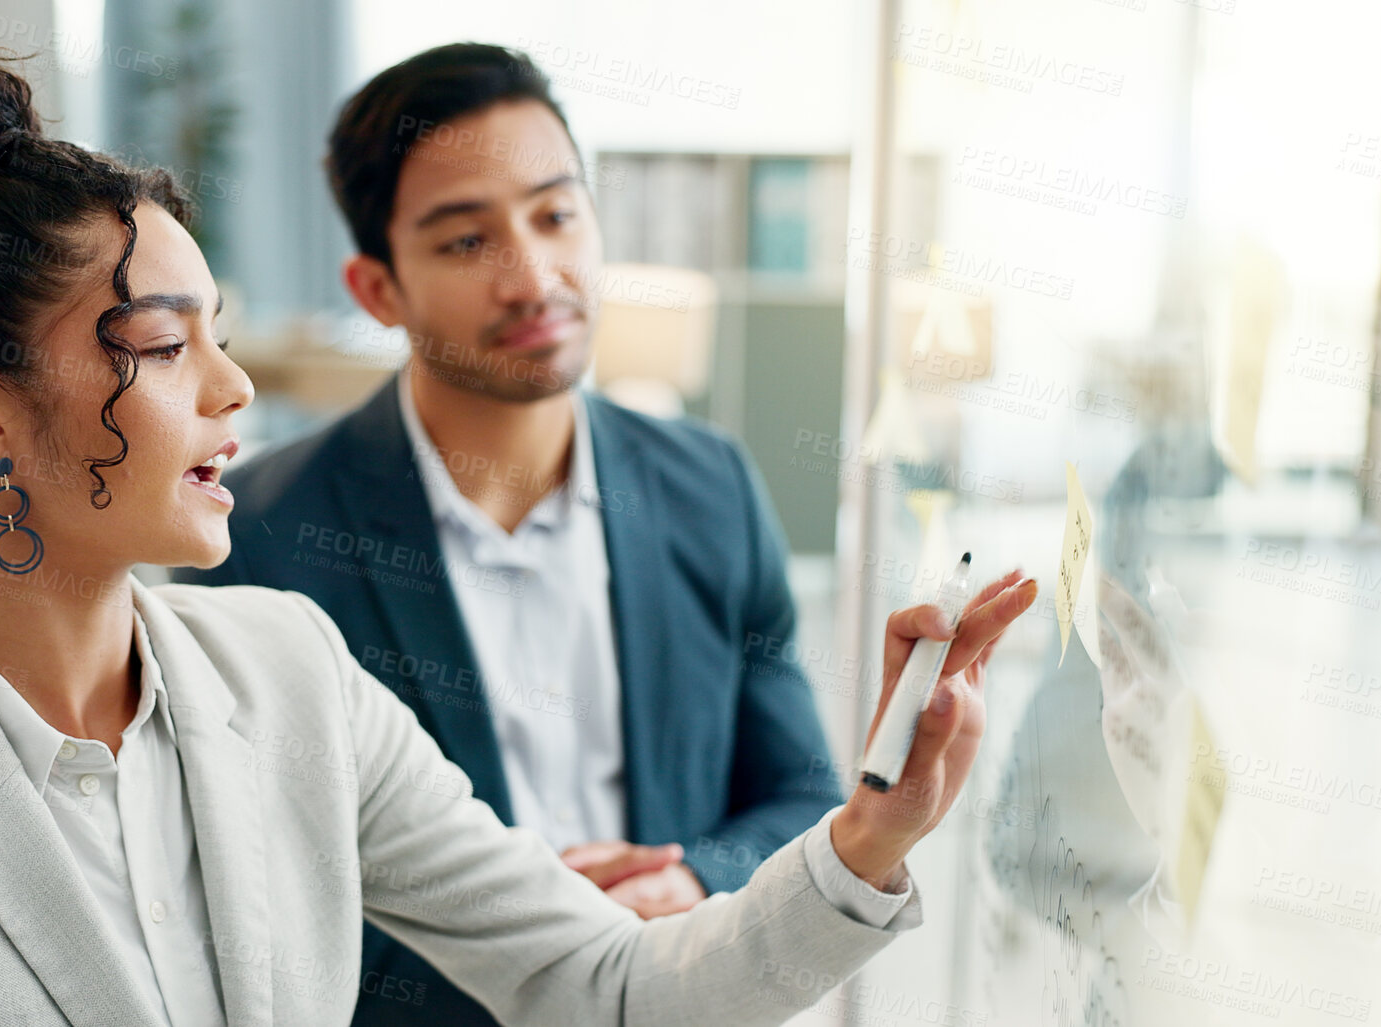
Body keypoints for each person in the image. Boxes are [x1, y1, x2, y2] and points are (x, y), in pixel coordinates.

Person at [0, 28, 1039, 1027]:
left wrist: (873, 829)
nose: (231, 385)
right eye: (159, 342)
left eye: (223, 332)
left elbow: (608, 983)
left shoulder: (292, 674)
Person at [173, 43, 882, 1024]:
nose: (533, 275)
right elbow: (244, 898)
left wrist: (685, 886)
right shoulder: (257, 539)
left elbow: (801, 797)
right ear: (378, 288)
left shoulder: (708, 487)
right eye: (466, 241)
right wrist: (527, 930)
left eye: (556, 215)